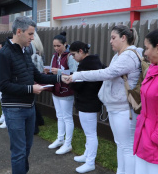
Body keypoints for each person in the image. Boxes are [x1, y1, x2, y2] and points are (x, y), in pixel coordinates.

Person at [65, 25, 141, 174]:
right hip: (117, 107)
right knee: (121, 144)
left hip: (125, 110)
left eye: (113, 38)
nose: (110, 41)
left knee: (126, 147)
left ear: (123, 38)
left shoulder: (128, 56)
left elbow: (107, 73)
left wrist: (77, 76)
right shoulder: (120, 55)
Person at [0, 16, 66, 174]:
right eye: (30, 34)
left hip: (29, 107)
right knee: (19, 152)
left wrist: (61, 78)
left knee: (26, 149)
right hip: (14, 110)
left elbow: (38, 76)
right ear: (19, 32)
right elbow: (4, 86)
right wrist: (30, 89)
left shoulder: (25, 51)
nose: (33, 38)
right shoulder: (3, 54)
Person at [133, 29, 158, 174]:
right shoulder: (153, 70)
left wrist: (157, 137)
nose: (145, 53)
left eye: (147, 48)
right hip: (144, 139)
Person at [69, 41, 103, 173]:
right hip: (88, 102)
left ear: (81, 52)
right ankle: (87, 155)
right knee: (89, 133)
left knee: (91, 134)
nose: (72, 57)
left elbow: (79, 84)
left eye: (73, 54)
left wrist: (70, 81)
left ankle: (90, 162)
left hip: (88, 102)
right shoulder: (93, 62)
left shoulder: (87, 64)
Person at [44, 32, 78, 155]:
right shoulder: (54, 56)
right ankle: (60, 139)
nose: (56, 48)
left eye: (58, 45)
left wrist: (60, 71)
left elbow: (75, 73)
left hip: (66, 91)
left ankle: (67, 144)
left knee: (67, 117)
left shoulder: (69, 56)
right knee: (59, 116)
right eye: (54, 46)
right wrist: (48, 70)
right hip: (56, 90)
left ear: (65, 44)